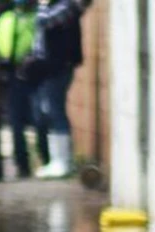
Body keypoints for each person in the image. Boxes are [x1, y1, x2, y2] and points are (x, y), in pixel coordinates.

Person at [31, 0, 90, 178]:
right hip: (50, 67)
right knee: (50, 110)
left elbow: (43, 21)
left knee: (55, 110)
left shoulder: (66, 6)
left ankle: (62, 161)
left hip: (58, 67)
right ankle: (57, 160)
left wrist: (42, 5)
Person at [0, 0, 49, 178]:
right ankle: (22, 164)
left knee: (39, 118)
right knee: (17, 121)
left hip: (35, 73)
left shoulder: (37, 17)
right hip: (13, 73)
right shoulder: (7, 18)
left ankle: (45, 158)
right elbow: (3, 47)